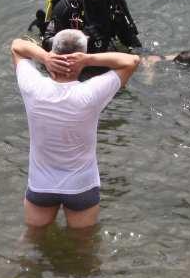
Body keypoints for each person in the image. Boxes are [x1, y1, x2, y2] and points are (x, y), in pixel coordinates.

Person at [11, 29, 140, 232]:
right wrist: (88, 60)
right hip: (81, 186)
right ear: (81, 57)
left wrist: (45, 57)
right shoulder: (90, 93)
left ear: (54, 51)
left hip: (41, 185)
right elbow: (131, 61)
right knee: (84, 250)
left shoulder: (33, 87)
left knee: (32, 242)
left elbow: (17, 46)